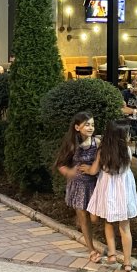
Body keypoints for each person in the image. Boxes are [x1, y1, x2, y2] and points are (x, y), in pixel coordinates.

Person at [86, 119, 137, 272]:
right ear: (122, 136)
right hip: (123, 192)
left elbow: (94, 171)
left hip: (108, 190)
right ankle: (127, 262)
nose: (130, 136)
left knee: (109, 222)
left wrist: (86, 170)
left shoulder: (102, 151)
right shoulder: (127, 151)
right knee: (125, 226)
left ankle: (112, 254)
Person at [54, 112, 101, 263]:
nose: (91, 128)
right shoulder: (72, 145)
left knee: (94, 218)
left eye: (92, 125)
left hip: (95, 184)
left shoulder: (97, 142)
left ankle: (80, 220)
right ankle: (91, 250)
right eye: (87, 125)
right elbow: (60, 164)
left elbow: (104, 161)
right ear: (77, 127)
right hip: (78, 186)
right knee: (84, 218)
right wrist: (69, 172)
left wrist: (93, 169)